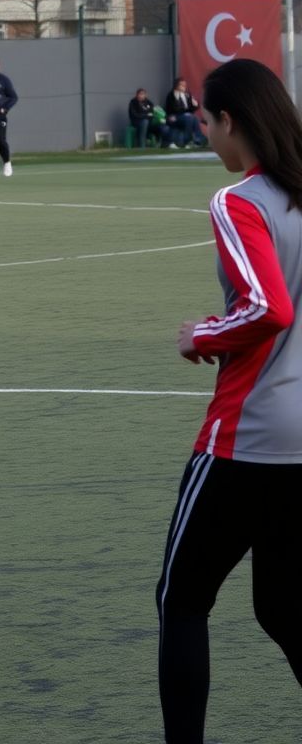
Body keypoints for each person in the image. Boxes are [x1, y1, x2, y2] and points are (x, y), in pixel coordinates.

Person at [157, 58, 302, 743]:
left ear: (231, 122)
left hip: (248, 436)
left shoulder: (238, 201)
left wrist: (202, 334)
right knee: (282, 607)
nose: (206, 135)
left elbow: (269, 307)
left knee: (181, 601)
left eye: (207, 122)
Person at [164, 77, 206, 149]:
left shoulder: (187, 95)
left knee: (194, 118)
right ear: (176, 85)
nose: (184, 87)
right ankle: (187, 141)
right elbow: (173, 109)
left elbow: (191, 109)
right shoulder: (171, 95)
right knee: (190, 118)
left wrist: (195, 105)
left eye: (184, 85)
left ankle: (197, 140)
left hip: (186, 116)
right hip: (174, 116)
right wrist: (185, 111)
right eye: (181, 85)